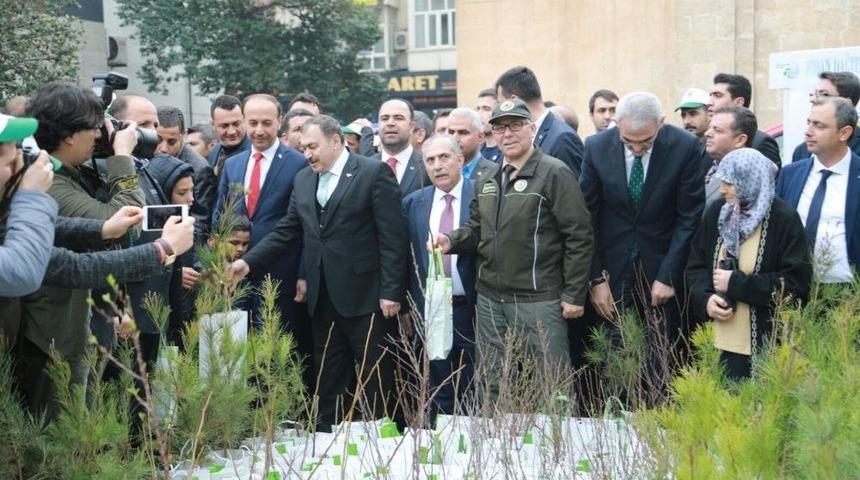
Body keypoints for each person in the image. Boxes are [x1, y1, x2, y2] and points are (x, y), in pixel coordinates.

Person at [228, 115, 408, 431]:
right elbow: (288, 229)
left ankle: (384, 441)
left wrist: (391, 291)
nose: (307, 154)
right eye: (303, 148)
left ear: (336, 141)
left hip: (367, 297)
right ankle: (328, 439)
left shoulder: (372, 173)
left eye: (313, 147)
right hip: (322, 297)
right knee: (328, 377)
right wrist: (249, 262)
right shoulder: (303, 179)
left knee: (376, 375)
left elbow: (393, 237)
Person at [434, 99, 593, 401]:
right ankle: (500, 433)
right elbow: (477, 228)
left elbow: (579, 236)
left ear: (532, 129)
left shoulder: (554, 173)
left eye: (515, 125)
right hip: (490, 300)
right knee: (493, 384)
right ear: (492, 134)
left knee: (551, 385)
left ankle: (553, 434)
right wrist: (451, 240)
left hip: (538, 299)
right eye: (499, 127)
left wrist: (574, 294)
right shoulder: (487, 178)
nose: (507, 133)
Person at [580, 92, 705, 403]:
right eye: (628, 142)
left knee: (661, 361)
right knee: (615, 359)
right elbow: (586, 217)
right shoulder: (596, 147)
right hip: (613, 270)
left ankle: (657, 422)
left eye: (646, 142)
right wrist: (595, 279)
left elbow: (689, 217)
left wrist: (668, 275)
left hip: (661, 269)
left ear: (661, 124)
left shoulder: (685, 147)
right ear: (617, 124)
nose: (637, 149)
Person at [211, 94, 312, 385]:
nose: (258, 130)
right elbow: (220, 215)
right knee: (238, 356)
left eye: (266, 123)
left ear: (279, 121)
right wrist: (219, 262)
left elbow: (305, 226)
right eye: (252, 123)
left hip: (281, 274)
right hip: (236, 278)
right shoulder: (233, 164)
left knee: (279, 355)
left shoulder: (298, 164)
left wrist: (304, 273)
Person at [686, 148, 811, 380]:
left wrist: (736, 284)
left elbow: (796, 285)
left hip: (767, 345)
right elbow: (695, 265)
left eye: (730, 183)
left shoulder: (784, 219)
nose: (722, 189)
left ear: (751, 180)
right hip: (718, 343)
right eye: (722, 182)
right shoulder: (718, 213)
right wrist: (706, 299)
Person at [402, 134, 477, 417]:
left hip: (472, 308)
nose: (437, 165)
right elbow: (406, 258)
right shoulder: (413, 203)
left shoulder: (481, 196)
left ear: (460, 159)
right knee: (437, 387)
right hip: (431, 309)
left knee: (472, 386)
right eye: (430, 160)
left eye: (444, 157)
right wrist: (408, 306)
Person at [776, 97, 860, 284]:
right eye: (809, 123)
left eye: (819, 126)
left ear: (844, 133)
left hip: (849, 293)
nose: (808, 131)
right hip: (795, 288)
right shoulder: (790, 174)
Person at [496, 66, 585, 177]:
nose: (499, 111)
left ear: (514, 100)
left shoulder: (562, 138)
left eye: (501, 104)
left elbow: (571, 185)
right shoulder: (523, 137)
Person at [155, 106, 217, 237]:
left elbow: (200, 222)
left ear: (182, 135)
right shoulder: (144, 156)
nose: (163, 148)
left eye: (171, 142)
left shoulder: (199, 168)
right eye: (158, 140)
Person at [708, 73, 781, 168]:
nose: (709, 102)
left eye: (718, 96)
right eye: (711, 96)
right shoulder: (707, 141)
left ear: (739, 102)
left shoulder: (760, 142)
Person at [791, 71, 860, 162]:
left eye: (824, 94)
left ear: (847, 103)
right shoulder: (801, 151)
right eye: (815, 93)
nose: (813, 100)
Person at [703, 106, 758, 206]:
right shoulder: (713, 167)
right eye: (709, 128)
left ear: (740, 140)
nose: (707, 133)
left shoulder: (747, 177)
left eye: (717, 130)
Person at [373, 98, 428, 197]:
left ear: (411, 127)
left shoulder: (427, 166)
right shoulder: (363, 168)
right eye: (384, 118)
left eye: (398, 118)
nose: (390, 123)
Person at [445, 108, 497, 183]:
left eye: (463, 132)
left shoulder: (495, 173)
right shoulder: (438, 171)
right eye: (451, 132)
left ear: (480, 137)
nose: (455, 138)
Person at [208, 95, 251, 175]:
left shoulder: (254, 153)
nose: (232, 132)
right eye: (224, 126)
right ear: (212, 125)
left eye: (236, 124)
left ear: (244, 119)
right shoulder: (215, 152)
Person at [476, 88, 501, 163]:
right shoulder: (476, 153)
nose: (479, 114)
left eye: (486, 109)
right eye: (478, 109)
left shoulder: (507, 153)